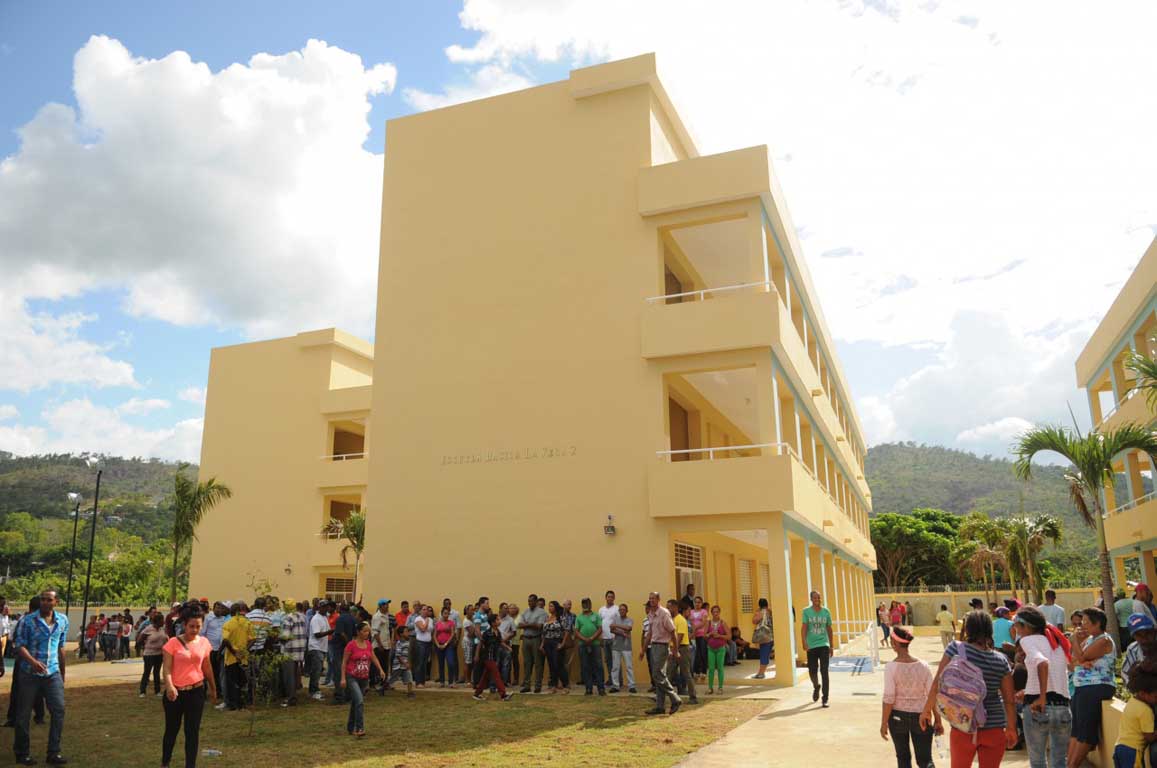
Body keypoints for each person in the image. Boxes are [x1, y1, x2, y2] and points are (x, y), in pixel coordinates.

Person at [920, 611, 1016, 767]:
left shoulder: (956, 649)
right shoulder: (1001, 661)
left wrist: (926, 711)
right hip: (994, 727)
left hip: (963, 724)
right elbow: (1009, 699)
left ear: (968, 629)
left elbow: (938, 681)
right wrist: (1011, 727)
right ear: (989, 631)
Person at [11, 589, 69, 767]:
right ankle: (22, 753)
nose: (45, 602)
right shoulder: (27, 621)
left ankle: (53, 752)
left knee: (58, 711)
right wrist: (33, 661)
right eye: (43, 599)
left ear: (56, 602)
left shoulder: (62, 620)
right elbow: (19, 645)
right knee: (23, 714)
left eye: (48, 600)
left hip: (52, 674)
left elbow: (61, 647)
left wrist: (62, 672)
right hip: (29, 673)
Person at [1014, 605, 1071, 768]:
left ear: (1026, 626)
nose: (1016, 629)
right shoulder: (1057, 643)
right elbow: (1056, 673)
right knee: (1060, 761)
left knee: (1038, 761)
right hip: (1063, 707)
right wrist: (1028, 690)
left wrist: (1042, 697)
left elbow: (1043, 664)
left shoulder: (1027, 640)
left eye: (1017, 625)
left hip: (1038, 708)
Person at [161, 603, 216, 768]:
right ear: (184, 624)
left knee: (192, 732)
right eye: (191, 626)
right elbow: (167, 669)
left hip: (196, 692)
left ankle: (190, 765)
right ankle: (165, 762)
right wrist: (170, 686)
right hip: (175, 694)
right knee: (172, 730)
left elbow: (207, 667)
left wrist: (213, 688)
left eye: (198, 626)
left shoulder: (204, 643)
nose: (194, 630)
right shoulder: (172, 643)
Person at [881, 627, 940, 768]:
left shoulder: (891, 667)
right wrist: (938, 720)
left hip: (897, 718)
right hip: (922, 716)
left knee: (903, 758)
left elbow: (889, 698)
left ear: (894, 642)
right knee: (925, 760)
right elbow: (933, 695)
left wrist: (884, 723)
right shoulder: (923, 666)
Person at [1068, 606, 1117, 768]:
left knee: (1086, 731)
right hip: (1082, 688)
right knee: (1077, 729)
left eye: (1086, 622)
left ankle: (1073, 765)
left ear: (1097, 624)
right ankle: (1069, 764)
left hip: (1096, 687)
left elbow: (1081, 657)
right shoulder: (1090, 640)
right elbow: (1073, 662)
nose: (1082, 626)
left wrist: (1074, 641)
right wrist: (1081, 660)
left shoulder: (1104, 640)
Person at [340, 621, 384, 738]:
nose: (367, 633)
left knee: (356, 703)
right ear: (358, 632)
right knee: (359, 701)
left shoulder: (368, 644)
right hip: (352, 677)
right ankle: (360, 728)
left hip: (363, 678)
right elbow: (344, 662)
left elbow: (373, 657)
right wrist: (343, 678)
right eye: (364, 631)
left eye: (368, 631)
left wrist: (380, 669)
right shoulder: (351, 645)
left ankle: (350, 727)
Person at [642, 591, 681, 716]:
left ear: (659, 599)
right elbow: (650, 633)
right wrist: (643, 649)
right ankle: (660, 706)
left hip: (662, 646)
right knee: (659, 675)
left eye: (653, 598)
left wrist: (675, 650)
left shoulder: (664, 613)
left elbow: (673, 632)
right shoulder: (651, 614)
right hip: (653, 646)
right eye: (650, 598)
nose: (651, 600)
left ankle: (675, 698)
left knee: (657, 674)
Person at [1114, 658, 1157, 768]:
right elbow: (1149, 737)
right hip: (1132, 751)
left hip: (1119, 747)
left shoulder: (1132, 702)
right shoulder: (1146, 711)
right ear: (1143, 693)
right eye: (1155, 696)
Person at [472, 610, 514, 702]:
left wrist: (508, 647)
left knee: (485, 677)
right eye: (498, 619)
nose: (500, 621)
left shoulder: (497, 632)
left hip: (494, 657)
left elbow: (500, 642)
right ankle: (503, 694)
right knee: (496, 675)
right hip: (487, 658)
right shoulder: (487, 633)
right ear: (493, 622)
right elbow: (480, 643)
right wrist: (476, 655)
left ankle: (477, 694)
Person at [802, 590, 834, 707]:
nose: (817, 600)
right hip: (811, 646)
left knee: (824, 671)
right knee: (812, 671)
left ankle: (825, 698)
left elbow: (829, 629)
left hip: (823, 644)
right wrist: (804, 642)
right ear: (811, 599)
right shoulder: (806, 611)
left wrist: (831, 645)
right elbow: (804, 628)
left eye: (819, 598)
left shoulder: (826, 612)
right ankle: (816, 686)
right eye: (815, 598)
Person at [219, 602, 253, 711]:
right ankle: (242, 703)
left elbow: (225, 640)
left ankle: (233, 704)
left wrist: (234, 652)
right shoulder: (247, 623)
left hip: (230, 658)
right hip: (243, 657)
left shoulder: (228, 624)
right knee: (242, 681)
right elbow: (253, 639)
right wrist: (244, 650)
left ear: (231, 612)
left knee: (232, 682)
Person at [575, 597, 606, 696]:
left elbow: (600, 629)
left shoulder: (596, 616)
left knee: (598, 666)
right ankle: (588, 688)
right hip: (583, 645)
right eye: (584, 604)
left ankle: (601, 688)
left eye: (587, 603)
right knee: (585, 666)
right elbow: (576, 631)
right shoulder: (579, 617)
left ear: (590, 604)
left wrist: (592, 638)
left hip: (595, 644)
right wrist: (585, 639)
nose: (585, 605)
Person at [518, 594, 547, 693]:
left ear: (536, 601)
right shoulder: (525, 611)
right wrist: (531, 624)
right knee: (527, 663)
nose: (529, 603)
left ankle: (538, 685)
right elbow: (520, 625)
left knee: (538, 663)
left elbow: (539, 626)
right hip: (526, 639)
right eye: (528, 601)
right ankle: (527, 685)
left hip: (536, 639)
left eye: (531, 601)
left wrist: (527, 624)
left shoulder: (542, 612)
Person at [280, 601, 307, 707]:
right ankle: (293, 696)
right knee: (295, 675)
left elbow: (285, 636)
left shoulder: (288, 618)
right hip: (299, 650)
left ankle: (291, 698)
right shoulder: (302, 617)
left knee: (289, 676)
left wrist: (278, 639)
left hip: (289, 651)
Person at [671, 599, 697, 704]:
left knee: (686, 673)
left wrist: (675, 650)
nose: (668, 609)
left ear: (676, 607)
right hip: (674, 648)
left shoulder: (681, 620)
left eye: (670, 607)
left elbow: (680, 636)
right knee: (668, 672)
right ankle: (661, 696)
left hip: (682, 648)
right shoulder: (672, 619)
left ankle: (693, 697)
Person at [306, 601, 332, 701]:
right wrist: (330, 632)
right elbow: (317, 634)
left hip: (322, 647)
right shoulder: (316, 618)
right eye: (324, 607)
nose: (326, 609)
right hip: (316, 647)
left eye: (327, 607)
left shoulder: (324, 617)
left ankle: (315, 690)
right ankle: (313, 691)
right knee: (316, 671)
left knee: (318, 670)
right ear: (319, 608)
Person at [540, 601, 568, 694]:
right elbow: (544, 633)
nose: (549, 608)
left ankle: (564, 684)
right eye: (549, 606)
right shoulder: (547, 618)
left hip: (557, 642)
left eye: (551, 606)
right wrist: (542, 645)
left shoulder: (561, 618)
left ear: (555, 607)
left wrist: (562, 644)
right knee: (551, 665)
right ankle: (554, 685)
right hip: (547, 643)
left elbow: (566, 631)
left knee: (558, 664)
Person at [609, 603, 636, 694]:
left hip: (626, 647)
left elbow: (628, 628)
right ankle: (615, 686)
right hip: (616, 647)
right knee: (615, 667)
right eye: (620, 610)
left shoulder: (629, 620)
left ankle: (631, 686)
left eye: (623, 610)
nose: (621, 611)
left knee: (629, 667)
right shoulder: (615, 619)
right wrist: (622, 633)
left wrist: (616, 626)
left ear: (626, 611)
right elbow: (611, 630)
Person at [1123, 613, 1157, 687]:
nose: (1144, 639)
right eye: (1139, 635)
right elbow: (1126, 676)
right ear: (1134, 637)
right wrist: (1140, 668)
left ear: (1154, 631)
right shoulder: (1132, 649)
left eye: (1147, 633)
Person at [139, 613, 167, 698]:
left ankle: (157, 691)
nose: (164, 621)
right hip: (149, 654)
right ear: (157, 621)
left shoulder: (162, 629)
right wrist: (145, 646)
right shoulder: (148, 629)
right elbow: (139, 640)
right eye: (162, 620)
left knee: (157, 673)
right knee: (147, 672)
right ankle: (142, 691)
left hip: (159, 654)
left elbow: (165, 639)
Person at [705, 604, 728, 695]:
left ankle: (720, 687)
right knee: (711, 668)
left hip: (720, 648)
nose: (715, 614)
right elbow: (704, 635)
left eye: (717, 612)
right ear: (711, 613)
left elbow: (729, 636)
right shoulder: (709, 623)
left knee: (720, 668)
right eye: (713, 612)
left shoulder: (723, 623)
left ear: (719, 613)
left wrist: (719, 636)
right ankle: (710, 688)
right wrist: (710, 633)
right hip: (711, 648)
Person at [597, 590, 619, 689]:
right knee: (608, 660)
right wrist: (600, 637)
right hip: (604, 638)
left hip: (614, 638)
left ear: (614, 598)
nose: (610, 598)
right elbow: (599, 624)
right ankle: (611, 679)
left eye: (612, 597)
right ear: (605, 598)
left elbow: (619, 622)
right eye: (608, 596)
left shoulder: (617, 609)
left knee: (616, 661)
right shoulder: (601, 610)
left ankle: (618, 681)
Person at [434, 607, 458, 687]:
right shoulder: (438, 623)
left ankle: (451, 682)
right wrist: (437, 644)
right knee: (441, 664)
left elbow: (452, 634)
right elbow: (434, 635)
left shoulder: (451, 623)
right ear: (441, 614)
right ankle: (442, 682)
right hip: (439, 645)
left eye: (447, 613)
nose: (446, 615)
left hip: (448, 645)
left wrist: (446, 643)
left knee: (450, 663)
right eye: (445, 613)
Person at [390, 624, 415, 697]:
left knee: (409, 678)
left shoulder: (407, 642)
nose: (408, 633)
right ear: (401, 634)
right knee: (392, 679)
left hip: (405, 665)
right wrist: (404, 663)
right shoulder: (399, 643)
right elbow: (398, 655)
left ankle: (410, 692)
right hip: (398, 665)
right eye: (406, 632)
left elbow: (407, 654)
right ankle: (383, 688)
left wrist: (407, 663)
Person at [751, 598, 774, 679]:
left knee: (763, 655)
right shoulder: (770, 612)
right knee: (766, 654)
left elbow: (754, 621)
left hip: (764, 637)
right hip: (771, 636)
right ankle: (761, 672)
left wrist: (756, 613)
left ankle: (761, 673)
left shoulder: (760, 612)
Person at [413, 605, 433, 688]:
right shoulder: (418, 619)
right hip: (420, 643)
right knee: (420, 663)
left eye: (427, 610)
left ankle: (423, 682)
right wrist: (427, 621)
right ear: (420, 611)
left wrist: (428, 620)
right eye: (424, 609)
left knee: (425, 663)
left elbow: (431, 630)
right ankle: (418, 682)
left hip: (428, 643)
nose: (426, 611)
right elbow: (423, 629)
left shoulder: (431, 619)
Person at [689, 597, 709, 683]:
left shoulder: (704, 612)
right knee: (696, 654)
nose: (697, 604)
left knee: (703, 653)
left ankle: (703, 673)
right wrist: (692, 631)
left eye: (699, 602)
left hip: (702, 635)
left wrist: (695, 628)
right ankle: (696, 673)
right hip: (693, 636)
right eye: (696, 602)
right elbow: (689, 621)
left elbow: (704, 622)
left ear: (701, 603)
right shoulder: (691, 612)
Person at [459, 601, 476, 687]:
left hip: (472, 642)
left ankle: (470, 679)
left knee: (472, 662)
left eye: (473, 609)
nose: (473, 611)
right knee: (467, 662)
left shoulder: (473, 619)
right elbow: (471, 634)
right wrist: (475, 628)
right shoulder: (466, 621)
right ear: (467, 611)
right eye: (471, 610)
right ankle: (467, 680)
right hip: (467, 643)